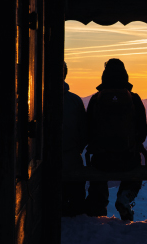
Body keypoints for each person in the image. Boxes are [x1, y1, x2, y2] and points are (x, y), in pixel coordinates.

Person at [84, 59, 147, 221]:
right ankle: (125, 196)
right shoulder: (133, 99)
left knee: (98, 175)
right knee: (136, 169)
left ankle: (97, 212)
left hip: (102, 160)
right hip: (128, 159)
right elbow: (142, 132)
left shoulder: (96, 99)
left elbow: (87, 131)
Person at [61, 62, 88, 217]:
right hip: (71, 157)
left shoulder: (36, 99)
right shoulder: (75, 101)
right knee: (75, 196)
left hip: (44, 159)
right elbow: (83, 132)